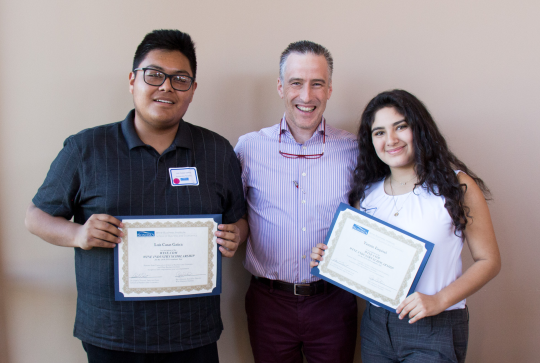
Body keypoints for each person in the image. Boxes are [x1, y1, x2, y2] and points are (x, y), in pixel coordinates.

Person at [25, 29, 248, 363]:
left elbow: (239, 219)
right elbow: (35, 217)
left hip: (192, 333)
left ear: (192, 90)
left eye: (180, 79)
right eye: (154, 75)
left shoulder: (216, 151)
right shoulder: (87, 147)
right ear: (133, 80)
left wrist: (236, 235)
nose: (166, 87)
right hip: (112, 334)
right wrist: (79, 233)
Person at [310, 89, 501, 363]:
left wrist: (439, 300)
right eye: (379, 132)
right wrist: (329, 257)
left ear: (419, 129)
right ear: (371, 141)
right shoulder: (366, 194)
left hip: (435, 323)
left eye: (401, 127)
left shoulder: (456, 186)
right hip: (376, 326)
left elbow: (489, 261)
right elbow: (363, 260)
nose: (391, 140)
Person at [235, 41, 358, 363]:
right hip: (269, 302)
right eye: (296, 83)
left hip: (333, 301)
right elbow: (232, 214)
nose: (306, 96)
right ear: (280, 87)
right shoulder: (248, 149)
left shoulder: (355, 150)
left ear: (329, 89)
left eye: (317, 83)